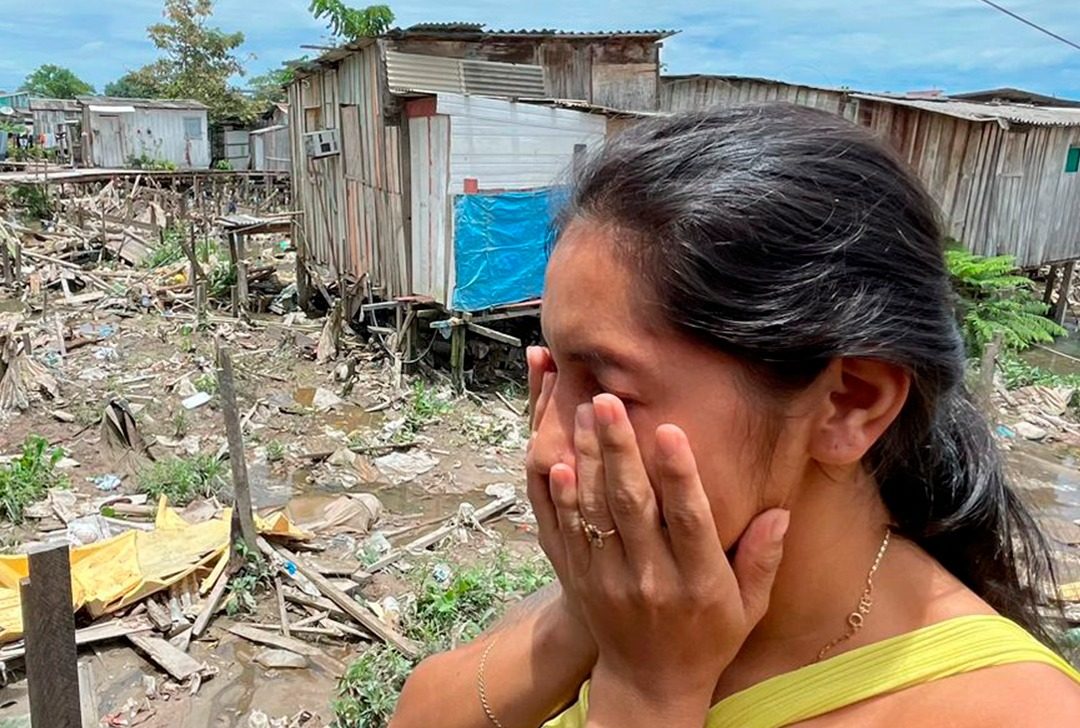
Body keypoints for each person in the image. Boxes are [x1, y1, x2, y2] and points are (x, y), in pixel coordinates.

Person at [391, 104, 1080, 727]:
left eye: (605, 388)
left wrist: (645, 695)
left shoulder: (1014, 712)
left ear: (849, 403)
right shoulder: (641, 592)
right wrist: (581, 621)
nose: (543, 448)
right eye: (551, 374)